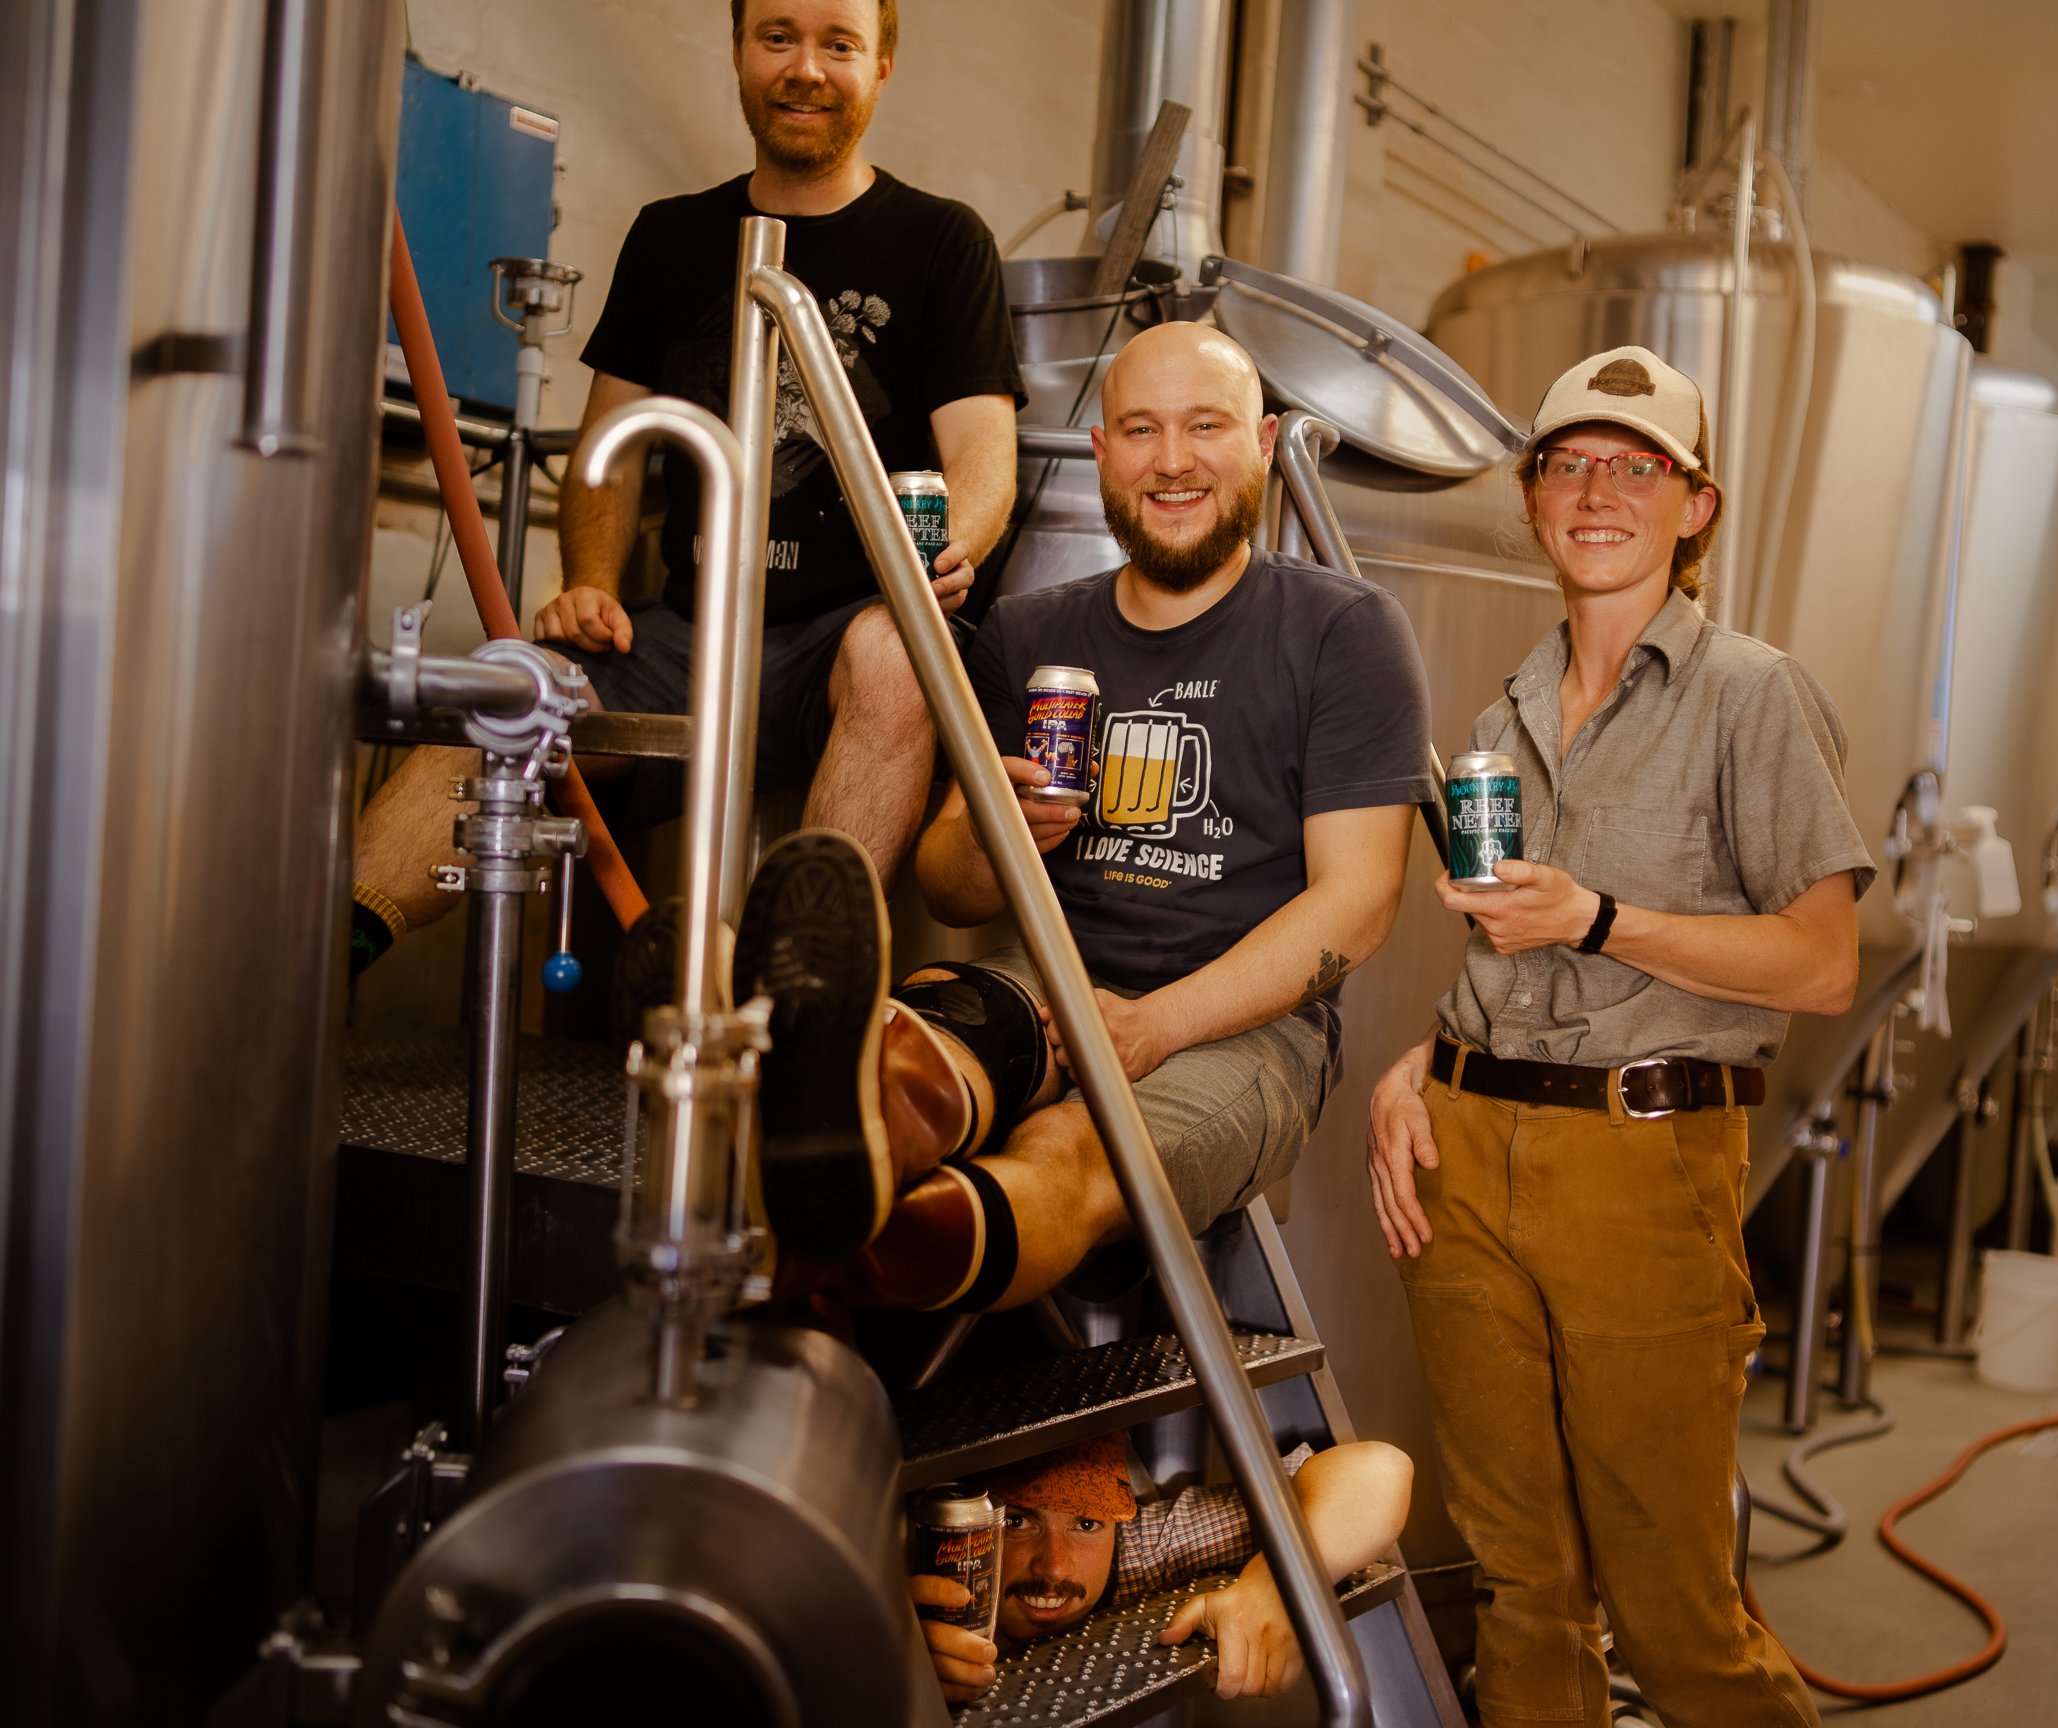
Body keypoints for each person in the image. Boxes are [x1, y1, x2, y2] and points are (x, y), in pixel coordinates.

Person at [1364, 345, 1869, 1728]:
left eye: (1636, 467)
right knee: (1521, 1586)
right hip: (1468, 1166)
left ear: (1693, 506)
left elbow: (1824, 967)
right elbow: (1508, 956)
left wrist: (1598, 917)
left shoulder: (1750, 695)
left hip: (1643, 1167)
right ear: (1532, 497)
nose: (1598, 493)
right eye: (1570, 464)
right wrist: (1420, 1063)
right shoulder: (1500, 718)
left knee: (1674, 1610)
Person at [732, 321, 1433, 1302]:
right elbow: (950, 884)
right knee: (917, 1063)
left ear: (1266, 444)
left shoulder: (1343, 630)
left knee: (1069, 1146)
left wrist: (1149, 1025)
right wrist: (989, 834)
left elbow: (1358, 903)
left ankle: (863, 1267)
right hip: (1041, 977)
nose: (1173, 461)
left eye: (1207, 428)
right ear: (1103, 453)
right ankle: (812, 1125)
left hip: (1246, 1025)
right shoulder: (1028, 631)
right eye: (1141, 431)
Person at [347, 0, 1022, 975]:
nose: (805, 68)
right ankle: (318, 963)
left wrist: (943, 554)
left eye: (838, 44)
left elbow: (983, 457)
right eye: (778, 37)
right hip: (684, 635)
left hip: (851, 627)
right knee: (510, 684)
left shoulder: (940, 242)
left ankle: (795, 1005)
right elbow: (608, 452)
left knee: (895, 654)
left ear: (881, 65)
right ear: (740, 51)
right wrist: (589, 582)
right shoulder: (671, 238)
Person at [909, 1433, 1413, 1706]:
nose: (1055, 1566)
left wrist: (1281, 1585)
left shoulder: (1142, 1548)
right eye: (1018, 1522)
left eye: (1086, 1523)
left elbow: (1378, 1469)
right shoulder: (916, 1580)